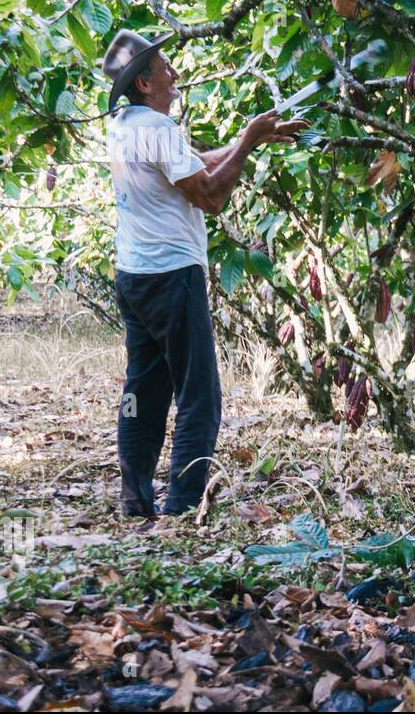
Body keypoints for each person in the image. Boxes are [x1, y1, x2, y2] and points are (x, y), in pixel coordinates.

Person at [100, 29, 307, 518]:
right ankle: (183, 503)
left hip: (134, 276)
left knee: (141, 392)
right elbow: (211, 196)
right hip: (172, 277)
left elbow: (192, 169)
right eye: (165, 69)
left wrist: (245, 143)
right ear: (145, 84)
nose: (175, 75)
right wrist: (251, 137)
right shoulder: (158, 128)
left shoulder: (125, 126)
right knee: (200, 395)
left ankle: (135, 500)